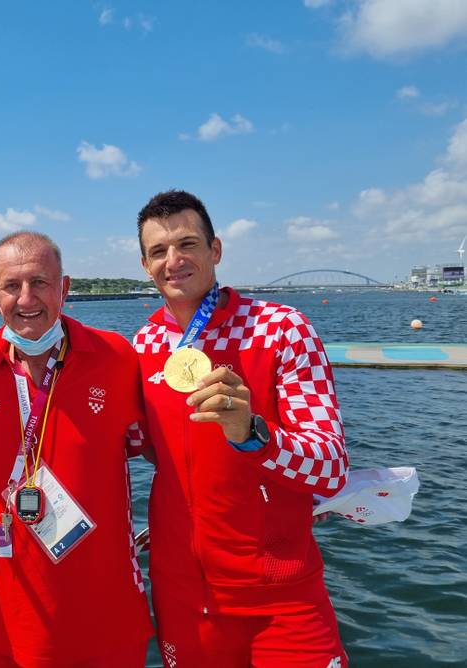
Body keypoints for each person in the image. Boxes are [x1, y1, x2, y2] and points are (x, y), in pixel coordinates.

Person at [133, 189, 349, 668]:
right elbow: (151, 446)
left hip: (281, 594)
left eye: (188, 244)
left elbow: (331, 468)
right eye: (158, 252)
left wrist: (252, 433)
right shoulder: (145, 342)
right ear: (146, 266)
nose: (174, 260)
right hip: (184, 594)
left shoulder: (282, 329)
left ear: (216, 250)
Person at [0, 231, 153, 667]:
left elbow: (157, 448)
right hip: (0, 615)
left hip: (104, 615)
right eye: (10, 286)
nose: (25, 299)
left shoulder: (118, 358)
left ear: (65, 287)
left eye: (39, 282)